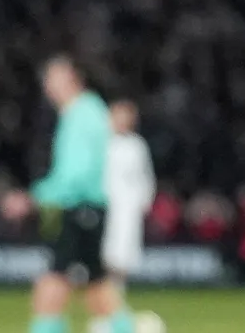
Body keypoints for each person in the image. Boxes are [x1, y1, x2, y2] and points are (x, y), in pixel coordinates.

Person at [0, 57, 133, 333]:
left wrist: (32, 197)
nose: (48, 87)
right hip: (88, 209)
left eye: (52, 80)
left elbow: (75, 173)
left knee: (52, 284)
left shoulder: (82, 114)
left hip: (80, 208)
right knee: (96, 287)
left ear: (71, 79)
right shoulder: (85, 111)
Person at [92, 100, 154, 333]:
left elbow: (145, 177)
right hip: (104, 209)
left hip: (127, 212)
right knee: (103, 262)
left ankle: (115, 312)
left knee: (122, 263)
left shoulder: (137, 145)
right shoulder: (101, 143)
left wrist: (142, 203)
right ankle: (103, 316)